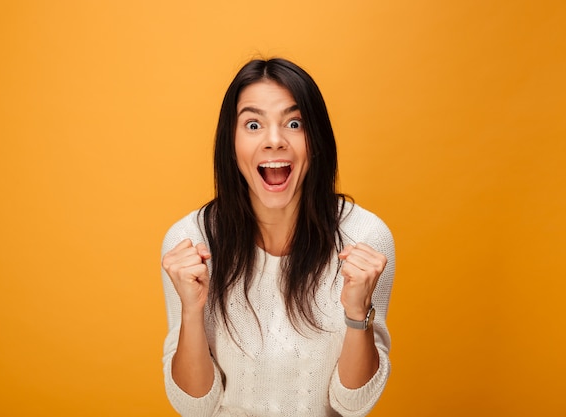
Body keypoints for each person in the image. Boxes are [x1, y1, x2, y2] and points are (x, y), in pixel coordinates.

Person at [160, 57, 395, 417]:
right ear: (232, 144)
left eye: (294, 123)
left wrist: (356, 312)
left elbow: (354, 404)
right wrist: (193, 311)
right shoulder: (191, 241)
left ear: (315, 141)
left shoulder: (364, 238)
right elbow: (193, 407)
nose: (274, 141)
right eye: (253, 124)